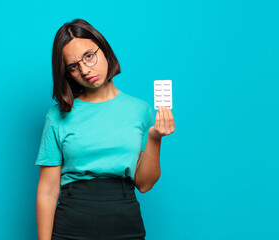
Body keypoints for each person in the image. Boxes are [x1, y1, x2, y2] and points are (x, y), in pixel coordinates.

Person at [35, 18, 175, 240]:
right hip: (71, 222)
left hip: (125, 220)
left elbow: (145, 184)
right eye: (73, 66)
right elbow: (48, 190)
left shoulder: (140, 110)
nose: (85, 69)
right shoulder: (57, 116)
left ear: (104, 48)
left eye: (89, 56)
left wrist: (155, 138)